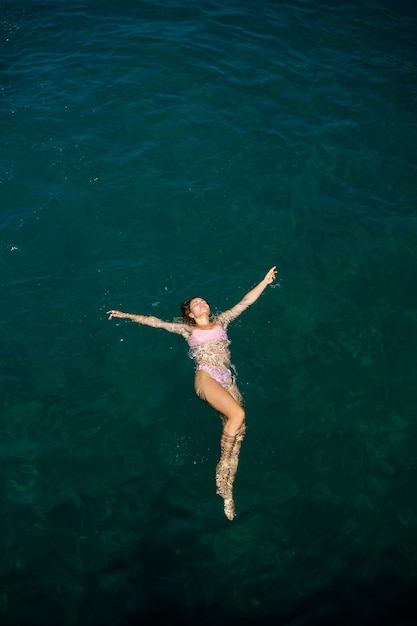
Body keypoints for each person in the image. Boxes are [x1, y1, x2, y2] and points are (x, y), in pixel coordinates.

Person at [107, 265, 277, 520]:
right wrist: (125, 315)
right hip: (206, 376)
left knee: (240, 431)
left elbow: (245, 302)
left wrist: (264, 281)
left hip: (226, 377)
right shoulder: (187, 329)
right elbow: (156, 322)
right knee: (237, 414)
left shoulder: (222, 320)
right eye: (195, 303)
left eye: (202, 301)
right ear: (189, 313)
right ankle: (220, 466)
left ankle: (227, 490)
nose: (201, 303)